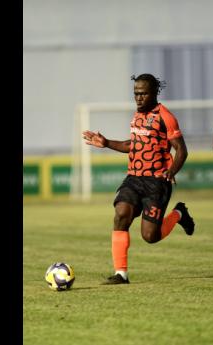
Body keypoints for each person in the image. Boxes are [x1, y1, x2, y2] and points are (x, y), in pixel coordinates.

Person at [82, 73, 195, 284]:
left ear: (154, 93)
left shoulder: (165, 116)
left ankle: (180, 213)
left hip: (157, 183)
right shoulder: (137, 115)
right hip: (134, 178)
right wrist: (106, 142)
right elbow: (131, 145)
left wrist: (172, 171)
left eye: (143, 94)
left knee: (150, 236)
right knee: (121, 214)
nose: (139, 98)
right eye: (136, 94)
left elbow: (181, 150)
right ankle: (121, 274)